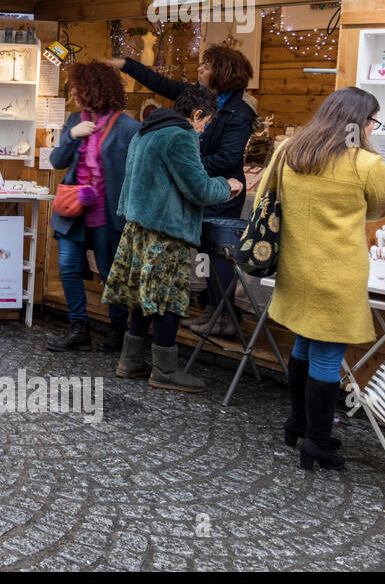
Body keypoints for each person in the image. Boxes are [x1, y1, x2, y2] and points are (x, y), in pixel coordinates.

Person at [260, 88, 385, 470]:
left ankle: (297, 422)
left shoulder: (289, 151)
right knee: (328, 359)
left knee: (303, 343)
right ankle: (317, 442)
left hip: (295, 269)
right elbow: (377, 210)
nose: (372, 128)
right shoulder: (367, 164)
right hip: (337, 274)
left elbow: (268, 191)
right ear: (360, 122)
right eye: (372, 121)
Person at [106, 45, 255, 335]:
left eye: (207, 66)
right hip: (198, 185)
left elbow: (227, 159)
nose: (200, 69)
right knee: (191, 261)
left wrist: (185, 166)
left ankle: (222, 314)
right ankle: (209, 311)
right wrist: (125, 63)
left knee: (217, 255)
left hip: (222, 191)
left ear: (223, 73)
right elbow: (158, 82)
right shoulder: (194, 99)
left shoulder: (239, 111)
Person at [102, 86, 242, 393]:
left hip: (138, 226)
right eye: (205, 123)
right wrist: (227, 185)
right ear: (196, 114)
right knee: (167, 300)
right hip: (165, 230)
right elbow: (199, 189)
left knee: (144, 296)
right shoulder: (180, 135)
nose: (203, 131)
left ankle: (130, 360)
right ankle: (165, 370)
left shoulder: (146, 131)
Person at [48, 62, 139, 352]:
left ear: (93, 89)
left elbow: (134, 173)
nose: (72, 91)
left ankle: (117, 331)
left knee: (110, 271)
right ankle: (79, 328)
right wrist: (71, 136)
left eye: (76, 87)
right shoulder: (75, 119)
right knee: (68, 267)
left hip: (108, 213)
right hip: (73, 209)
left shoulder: (128, 127)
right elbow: (57, 161)